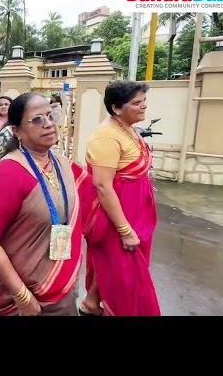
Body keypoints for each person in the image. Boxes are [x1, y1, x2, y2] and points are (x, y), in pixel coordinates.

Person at [0, 93, 84, 316]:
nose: (49, 124)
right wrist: (22, 296)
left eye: (50, 116)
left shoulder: (59, 161)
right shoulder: (9, 173)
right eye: (37, 119)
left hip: (61, 286)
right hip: (20, 297)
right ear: (17, 131)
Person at [77, 80, 161, 316]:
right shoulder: (105, 136)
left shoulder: (129, 128)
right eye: (137, 103)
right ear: (116, 108)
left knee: (117, 263)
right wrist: (124, 229)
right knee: (124, 268)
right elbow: (103, 186)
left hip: (137, 210)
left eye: (144, 101)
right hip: (117, 214)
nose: (144, 107)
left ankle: (91, 303)